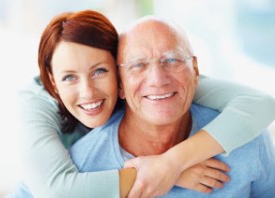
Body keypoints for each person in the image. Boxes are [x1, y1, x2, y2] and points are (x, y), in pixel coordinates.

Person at [14, 10, 275, 198]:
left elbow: (260, 104)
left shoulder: (244, 134)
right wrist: (163, 173)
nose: (157, 79)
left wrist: (170, 164)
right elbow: (53, 191)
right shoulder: (45, 116)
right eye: (138, 65)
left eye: (99, 72)